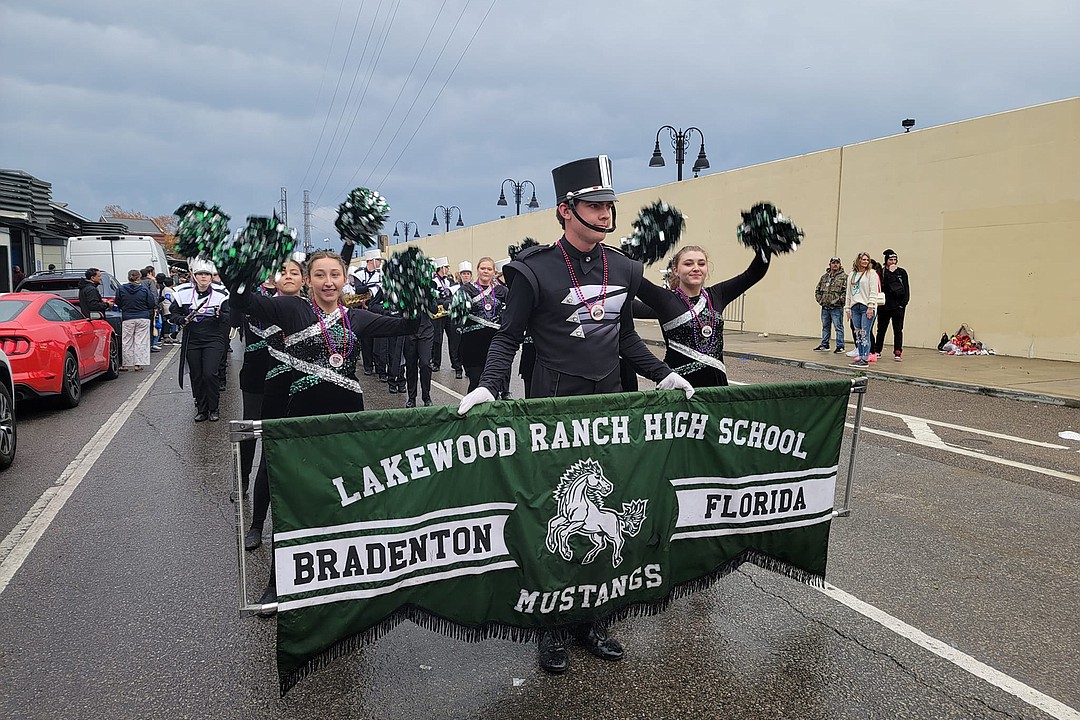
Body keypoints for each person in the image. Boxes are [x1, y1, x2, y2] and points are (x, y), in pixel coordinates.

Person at [458, 154, 693, 675]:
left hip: (607, 406)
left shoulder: (626, 267)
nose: (606, 212)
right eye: (594, 204)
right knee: (549, 513)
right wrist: (488, 388)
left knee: (607, 509)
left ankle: (591, 618)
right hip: (552, 409)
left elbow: (625, 337)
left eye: (610, 203)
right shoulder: (532, 269)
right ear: (566, 211)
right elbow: (507, 337)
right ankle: (551, 626)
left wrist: (663, 375)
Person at [634, 244, 769, 388]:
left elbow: (753, 274)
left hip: (716, 387)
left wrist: (764, 244)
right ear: (676, 270)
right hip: (679, 386)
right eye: (688, 264)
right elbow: (633, 277)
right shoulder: (665, 300)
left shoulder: (717, 295)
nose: (696, 268)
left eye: (701, 263)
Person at [169, 259, 231, 422]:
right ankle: (201, 409)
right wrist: (181, 319)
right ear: (194, 276)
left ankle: (213, 408)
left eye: (207, 274)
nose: (203, 277)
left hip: (214, 338)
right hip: (192, 339)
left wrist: (220, 315)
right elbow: (173, 314)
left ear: (211, 277)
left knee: (210, 373)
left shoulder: (221, 294)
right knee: (196, 375)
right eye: (200, 274)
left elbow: (230, 316)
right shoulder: (182, 292)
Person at [457, 257, 509, 392]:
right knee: (476, 381)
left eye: (489, 269)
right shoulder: (466, 290)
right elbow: (456, 315)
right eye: (483, 268)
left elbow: (512, 312)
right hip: (472, 344)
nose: (486, 271)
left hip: (495, 343)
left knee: (493, 384)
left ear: (494, 272)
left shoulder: (502, 291)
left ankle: (492, 412)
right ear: (478, 270)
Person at [844, 251, 883, 368]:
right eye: (863, 259)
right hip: (855, 306)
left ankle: (865, 357)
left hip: (867, 306)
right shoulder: (852, 275)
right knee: (858, 332)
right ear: (858, 260)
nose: (865, 262)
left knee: (865, 332)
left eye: (867, 260)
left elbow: (873, 291)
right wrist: (847, 308)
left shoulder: (872, 274)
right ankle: (860, 355)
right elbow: (848, 293)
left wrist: (871, 306)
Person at [115, 268, 156, 371]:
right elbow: (151, 303)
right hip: (143, 317)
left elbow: (118, 302)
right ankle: (138, 364)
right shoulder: (144, 289)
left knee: (127, 341)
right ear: (139, 278)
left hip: (127, 317)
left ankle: (126, 364)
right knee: (141, 341)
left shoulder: (121, 289)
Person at [872, 249, 909, 361]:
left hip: (898, 306)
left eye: (894, 259)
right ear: (886, 261)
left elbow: (906, 289)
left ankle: (898, 351)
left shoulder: (901, 272)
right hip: (884, 306)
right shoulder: (882, 272)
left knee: (898, 329)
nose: (893, 262)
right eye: (890, 260)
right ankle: (877, 350)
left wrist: (904, 303)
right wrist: (890, 273)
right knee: (881, 329)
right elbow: (882, 286)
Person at [813, 256, 848, 353]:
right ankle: (825, 344)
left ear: (840, 265)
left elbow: (846, 292)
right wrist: (821, 300)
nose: (835, 264)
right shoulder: (824, 277)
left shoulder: (844, 277)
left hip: (836, 307)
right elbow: (818, 290)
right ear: (830, 264)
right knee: (825, 326)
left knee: (838, 327)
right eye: (833, 263)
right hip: (825, 307)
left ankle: (840, 346)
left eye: (837, 263)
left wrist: (838, 301)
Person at [430, 258, 459, 373]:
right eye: (446, 267)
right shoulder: (433, 281)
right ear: (441, 268)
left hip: (449, 313)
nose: (447, 270)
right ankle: (436, 363)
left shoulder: (449, 281)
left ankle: (456, 364)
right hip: (438, 314)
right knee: (437, 339)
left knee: (453, 338)